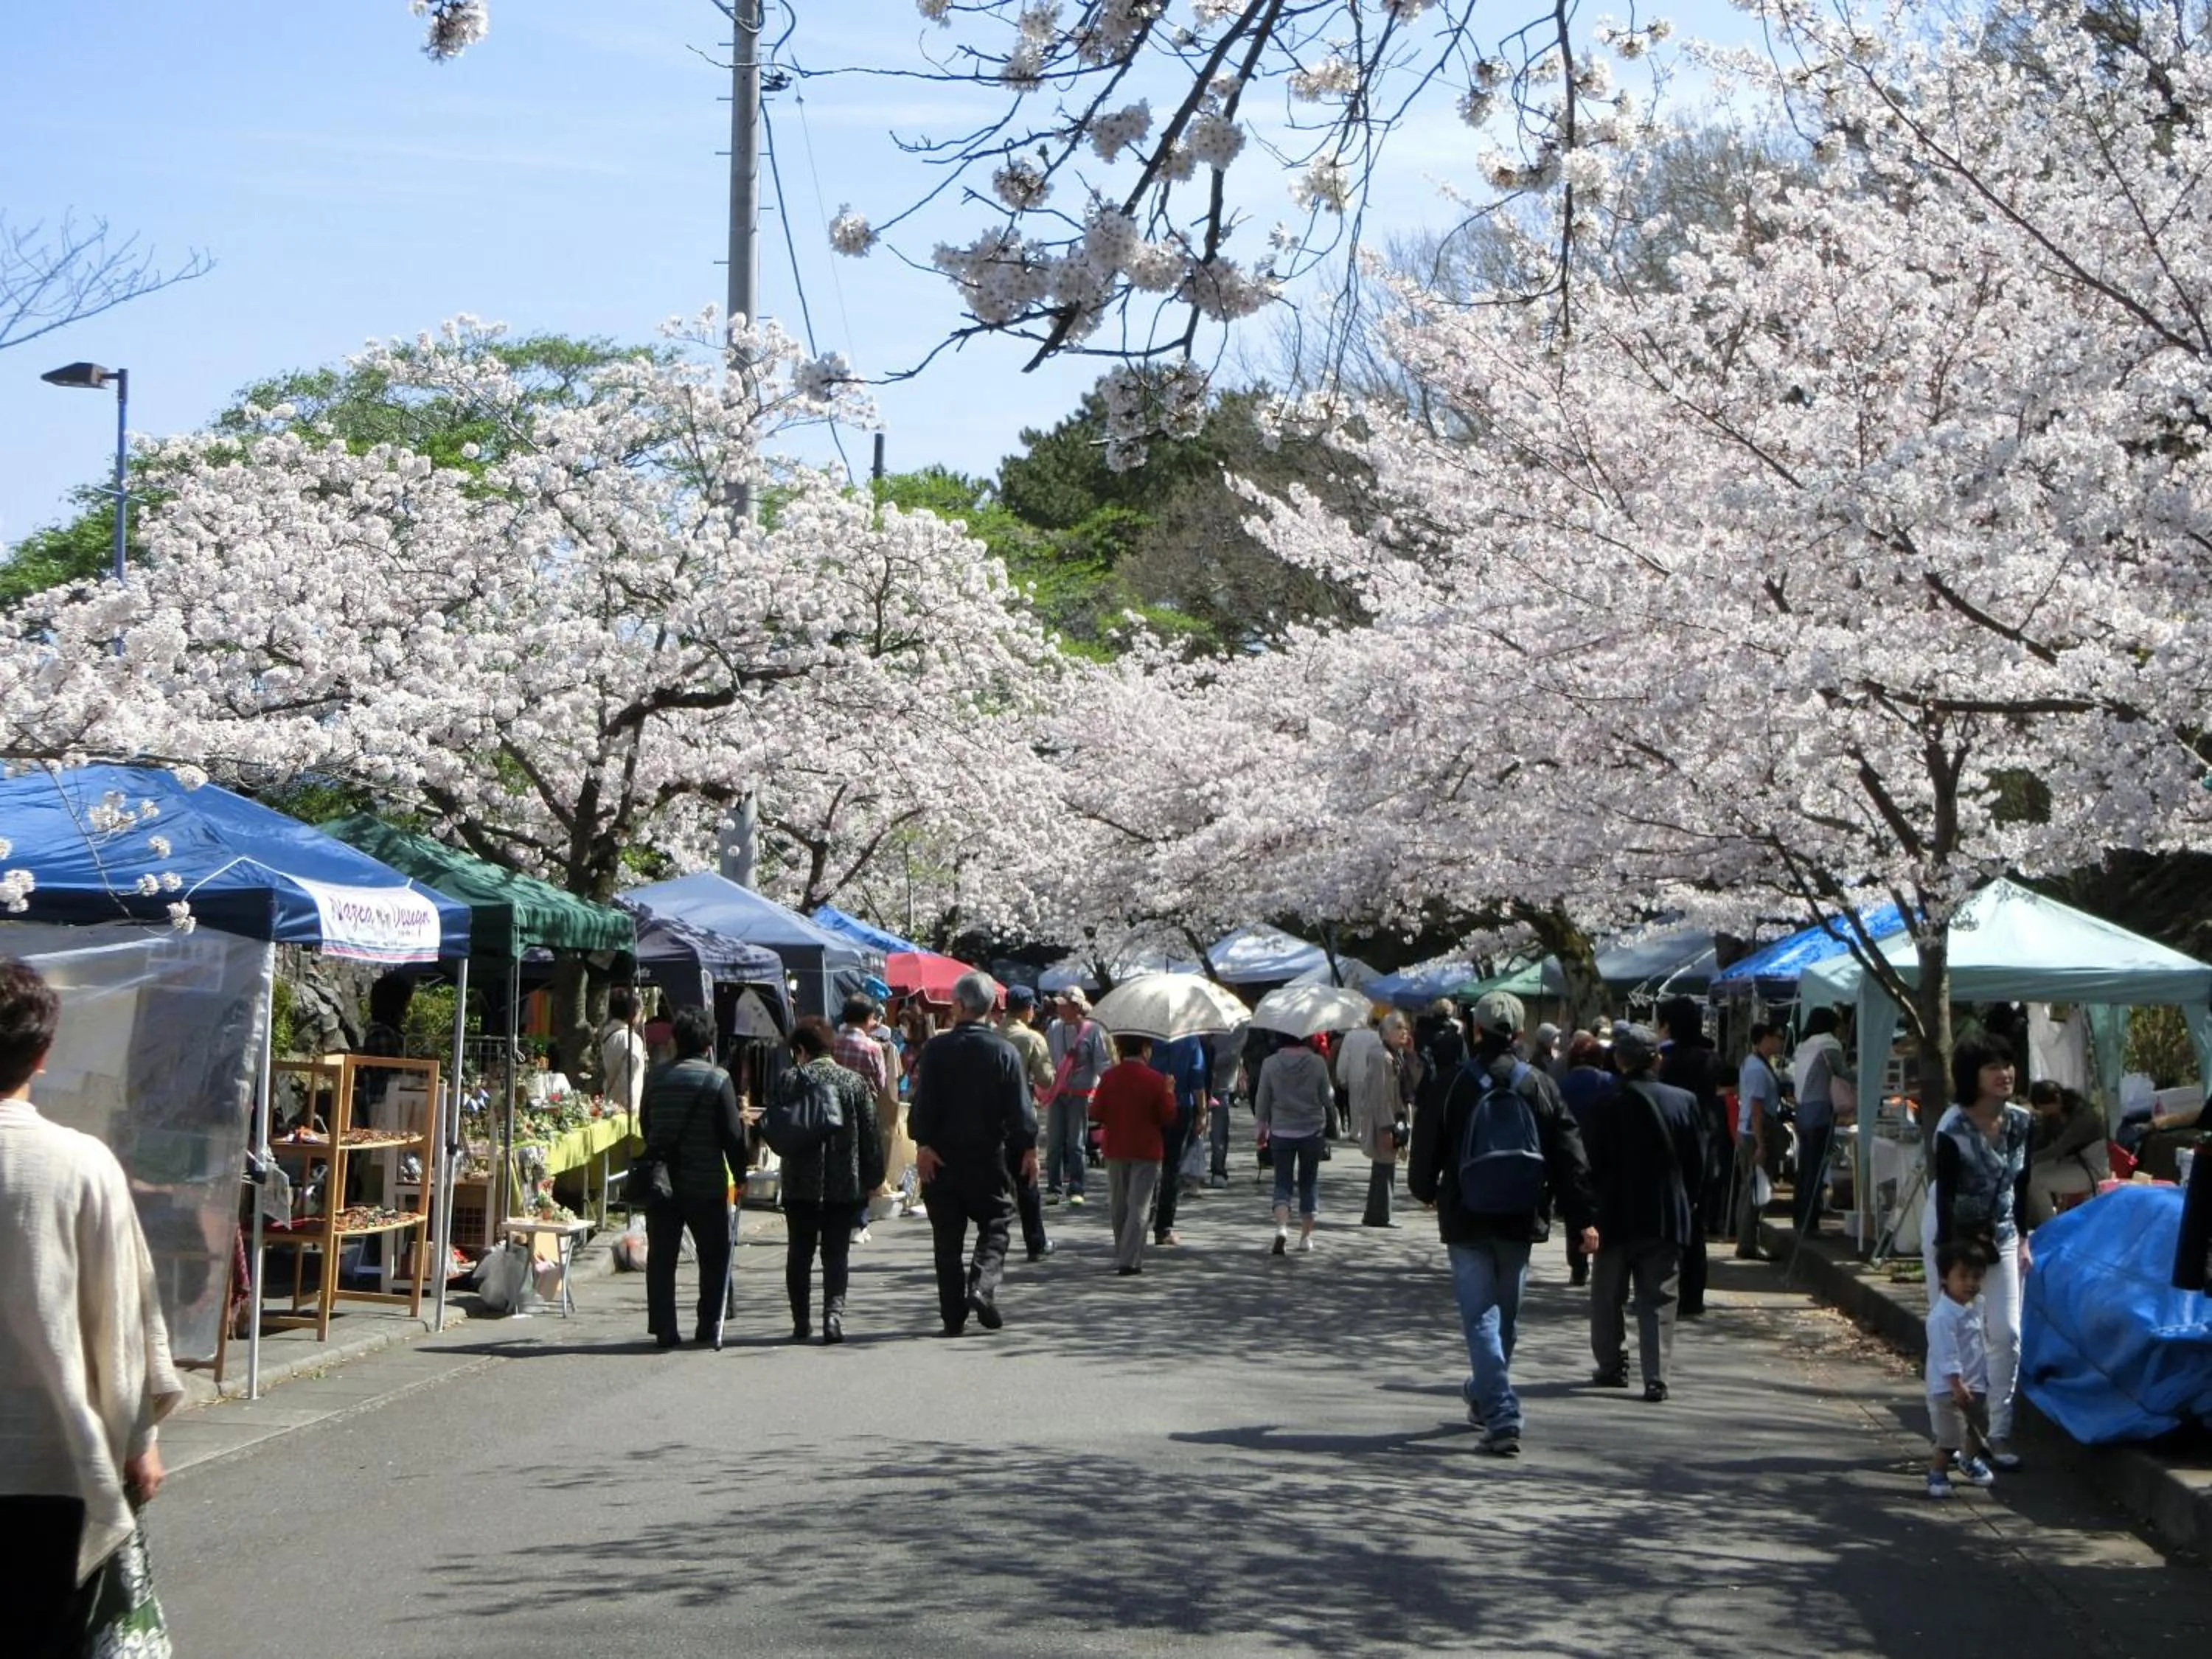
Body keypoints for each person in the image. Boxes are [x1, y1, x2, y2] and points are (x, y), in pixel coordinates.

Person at [1, 958, 184, 1657]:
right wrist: (139, 1439)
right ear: (44, 1054)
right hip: (56, 1458)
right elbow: (123, 1315)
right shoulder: (81, 1164)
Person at [1408, 991, 1598, 1456]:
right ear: (1519, 1033)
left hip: (1466, 1215)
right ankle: (1493, 1402)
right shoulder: (1539, 1084)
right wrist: (1582, 1219)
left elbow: (1427, 1145)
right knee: (1505, 1319)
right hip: (1520, 1214)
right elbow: (1570, 1155)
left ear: (1476, 1030)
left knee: (1482, 1318)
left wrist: (1426, 1189)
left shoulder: (1453, 1083)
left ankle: (1496, 1407)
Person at [1920, 1034, 2034, 1470]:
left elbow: (2022, 1184)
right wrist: (1951, 1263)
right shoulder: (1952, 1127)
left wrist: (2023, 1238)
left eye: (2008, 1064)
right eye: (1992, 1067)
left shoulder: (2022, 1122)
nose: (2004, 1074)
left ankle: (1998, 1434)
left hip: (2002, 1231)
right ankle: (1951, 1435)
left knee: (2006, 1333)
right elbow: (1947, 1195)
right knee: (1950, 1332)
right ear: (1972, 1076)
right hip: (1955, 1234)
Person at [910, 972, 1037, 1336]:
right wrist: (1028, 1147)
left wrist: (922, 1144)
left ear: (959, 1006)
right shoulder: (1003, 1051)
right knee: (997, 1220)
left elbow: (922, 1104)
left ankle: (952, 1317)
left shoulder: (936, 1050)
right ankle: (981, 1286)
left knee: (947, 1239)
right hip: (988, 1154)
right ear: (992, 1007)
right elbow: (1020, 1109)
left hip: (941, 1155)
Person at [1586, 1025, 1705, 1402]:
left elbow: (1590, 1164)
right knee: (1659, 1298)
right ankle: (1656, 1376)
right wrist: (1690, 1200)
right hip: (1664, 1214)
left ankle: (1611, 1365)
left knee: (1608, 1295)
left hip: (1613, 1214)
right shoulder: (1683, 1102)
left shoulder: (1604, 1104)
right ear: (1657, 1059)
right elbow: (1698, 1161)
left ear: (1619, 1060)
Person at [639, 1006, 752, 1351]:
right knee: (714, 1255)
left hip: (662, 1181)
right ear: (709, 1043)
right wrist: (741, 1174)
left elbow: (646, 1125)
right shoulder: (718, 1079)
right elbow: (732, 1135)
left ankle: (664, 1328)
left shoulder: (655, 1078)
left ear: (675, 1040)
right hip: (706, 1181)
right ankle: (709, 1322)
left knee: (662, 1257)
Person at [776, 1016, 885, 1344]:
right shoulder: (854, 1083)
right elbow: (870, 1134)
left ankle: (801, 1321)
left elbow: (776, 1126)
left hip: (799, 1184)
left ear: (800, 1049)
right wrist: (874, 1177)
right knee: (836, 1254)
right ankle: (833, 1317)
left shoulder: (789, 1080)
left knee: (799, 1253)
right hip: (844, 1183)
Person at [1656, 997, 1723, 1316]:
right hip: (1706, 1142)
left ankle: (1669, 1290)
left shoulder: (1672, 1062)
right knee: (1696, 1224)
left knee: (1671, 1223)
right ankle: (1693, 1295)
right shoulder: (1710, 1058)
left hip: (1675, 1144)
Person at [1096, 1034, 1180, 1274]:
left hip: (1116, 1146)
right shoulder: (1155, 1079)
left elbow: (1096, 1111)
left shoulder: (1109, 1077)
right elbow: (1167, 1116)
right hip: (1146, 1148)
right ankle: (1130, 1257)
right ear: (1144, 1049)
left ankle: (1122, 1249)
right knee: (1139, 1204)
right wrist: (1169, 1092)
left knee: (1119, 1203)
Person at [1924, 1239, 1997, 1498]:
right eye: (1963, 1277)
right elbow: (1946, 1354)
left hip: (1975, 1381)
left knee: (1978, 1428)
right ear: (1945, 1278)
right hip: (1948, 1387)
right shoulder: (1942, 1317)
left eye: (1976, 1277)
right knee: (1950, 1436)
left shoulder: (1976, 1306)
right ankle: (1937, 1472)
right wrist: (1956, 1383)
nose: (1971, 1284)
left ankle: (1969, 1460)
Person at [1255, 1032, 1334, 1255]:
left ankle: (1282, 1228)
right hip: (1312, 1130)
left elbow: (1262, 1099)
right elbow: (1327, 1097)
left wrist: (1261, 1128)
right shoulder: (1317, 1063)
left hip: (1281, 1129)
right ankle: (1305, 1237)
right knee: (1309, 1181)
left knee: (1282, 1181)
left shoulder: (1270, 1064)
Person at [999, 987, 1057, 1261]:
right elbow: (1046, 1079)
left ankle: (992, 1243)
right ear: (1028, 1009)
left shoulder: (990, 1034)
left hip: (987, 1118)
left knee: (993, 1183)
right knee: (1027, 1179)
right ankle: (1036, 1243)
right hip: (1019, 1116)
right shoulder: (1032, 1038)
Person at [1557, 1032, 1618, 1286]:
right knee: (1603, 1206)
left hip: (1572, 1151)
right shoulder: (1609, 1081)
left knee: (1576, 1209)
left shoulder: (1563, 1084)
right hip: (1603, 1151)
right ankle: (1603, 1256)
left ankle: (1578, 1265)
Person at [1787, 1006, 1853, 1239]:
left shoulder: (1803, 1046)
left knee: (1805, 1169)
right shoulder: (1829, 1044)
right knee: (1816, 1170)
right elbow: (1844, 1073)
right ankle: (1811, 1223)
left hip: (1803, 1111)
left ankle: (1800, 1218)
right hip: (1821, 1111)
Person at [1043, 989, 1111, 1208]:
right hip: (1057, 1092)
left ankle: (1077, 1188)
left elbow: (1102, 1063)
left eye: (1064, 1005)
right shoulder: (1054, 1028)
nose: (1059, 1009)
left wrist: (1108, 1086)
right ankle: (1053, 1188)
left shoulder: (1093, 1031)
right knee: (1054, 1142)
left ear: (1076, 1007)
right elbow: (1047, 1057)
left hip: (1080, 1094)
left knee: (1076, 1143)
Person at [1340, 1015, 1404, 1228]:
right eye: (1399, 1028)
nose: (1404, 1032)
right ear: (1385, 1033)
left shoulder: (1394, 1054)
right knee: (1384, 1164)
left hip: (1391, 1116)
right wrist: (1386, 1127)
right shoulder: (1381, 1057)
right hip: (1384, 1118)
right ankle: (1380, 1214)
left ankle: (1376, 1213)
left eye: (1404, 1027)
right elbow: (1381, 1095)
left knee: (1385, 1164)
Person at [1148, 1033, 1208, 1244]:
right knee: (1172, 1166)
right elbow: (1197, 1078)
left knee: (1147, 1161)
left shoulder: (1149, 1036)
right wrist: (1202, 1112)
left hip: (1151, 1105)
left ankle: (1144, 1210)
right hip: (1180, 1105)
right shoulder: (1190, 1039)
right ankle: (1164, 1227)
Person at [1733, 1023, 1786, 1260]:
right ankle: (1747, 1243)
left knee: (1751, 1189)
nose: (1781, 1042)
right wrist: (1761, 1144)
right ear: (1765, 1038)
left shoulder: (1756, 1063)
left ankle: (1747, 1240)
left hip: (1752, 1131)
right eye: (1778, 1037)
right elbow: (1756, 1108)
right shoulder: (1756, 1068)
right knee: (1755, 1189)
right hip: (1755, 1133)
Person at [2025, 1080, 2109, 1227]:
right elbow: (2042, 1142)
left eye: (2043, 1107)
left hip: (2092, 1170)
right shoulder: (2053, 1116)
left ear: (2055, 1100)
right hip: (2072, 1163)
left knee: (2036, 1180)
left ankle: (2050, 1226)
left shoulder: (2083, 1115)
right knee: (2031, 1173)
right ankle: (2038, 1220)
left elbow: (2059, 1149)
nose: (2043, 1112)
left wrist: (2028, 1159)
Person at [599, 986, 650, 1118]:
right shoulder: (631, 1039)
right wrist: (619, 1104)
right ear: (634, 1012)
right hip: (624, 1110)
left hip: (605, 1104)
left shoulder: (604, 1035)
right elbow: (627, 1078)